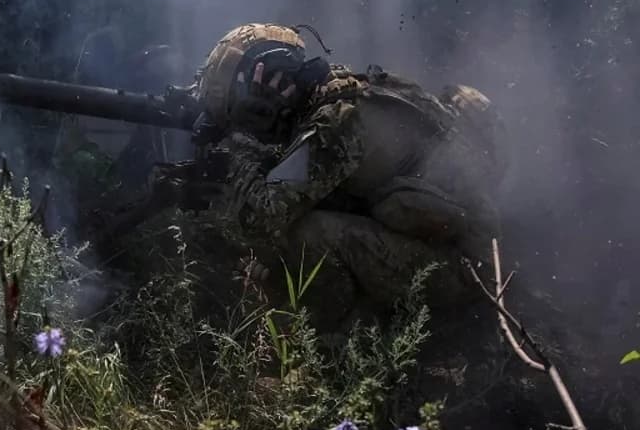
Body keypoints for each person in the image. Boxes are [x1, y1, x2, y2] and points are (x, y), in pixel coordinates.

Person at [187, 23, 508, 327]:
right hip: (463, 248)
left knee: (307, 233)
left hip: (469, 270)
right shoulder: (344, 93)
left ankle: (338, 338)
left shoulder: (335, 123)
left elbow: (262, 219)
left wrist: (237, 148)